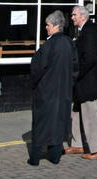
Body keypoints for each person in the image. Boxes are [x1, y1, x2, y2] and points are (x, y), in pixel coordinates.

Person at [28, 10, 75, 166]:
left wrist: (35, 83)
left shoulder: (49, 44)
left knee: (41, 123)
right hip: (63, 90)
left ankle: (35, 157)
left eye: (47, 25)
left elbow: (38, 66)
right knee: (59, 122)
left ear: (55, 25)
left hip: (46, 91)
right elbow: (75, 67)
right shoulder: (69, 43)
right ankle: (55, 155)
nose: (46, 28)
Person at [66, 5, 97, 160]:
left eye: (74, 15)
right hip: (80, 82)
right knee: (75, 112)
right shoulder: (83, 31)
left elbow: (88, 59)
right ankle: (77, 145)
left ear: (83, 16)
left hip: (87, 81)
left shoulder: (89, 33)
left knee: (90, 114)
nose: (72, 17)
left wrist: (76, 74)